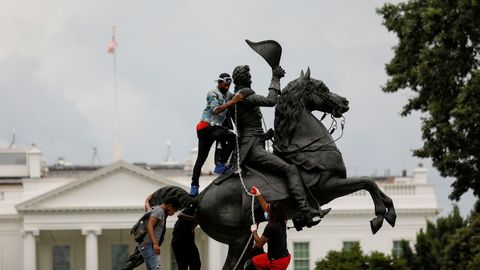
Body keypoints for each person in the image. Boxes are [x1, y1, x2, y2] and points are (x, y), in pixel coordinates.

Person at [231, 65, 329, 228]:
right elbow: (271, 101)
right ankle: (304, 212)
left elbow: (247, 126)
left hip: (255, 143)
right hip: (253, 149)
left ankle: (296, 212)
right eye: (249, 76)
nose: (251, 78)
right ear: (245, 79)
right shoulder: (244, 95)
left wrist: (264, 136)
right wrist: (275, 78)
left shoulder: (237, 96)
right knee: (290, 169)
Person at [190, 72, 244, 196]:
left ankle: (220, 163)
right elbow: (215, 110)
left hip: (215, 128)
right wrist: (231, 102)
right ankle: (196, 184)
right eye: (225, 84)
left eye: (229, 85)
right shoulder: (212, 93)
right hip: (206, 127)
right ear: (219, 82)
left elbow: (237, 96)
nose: (227, 87)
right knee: (231, 138)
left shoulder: (228, 94)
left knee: (228, 138)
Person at [250, 186, 291, 270]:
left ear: (272, 213)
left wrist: (254, 231)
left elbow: (259, 244)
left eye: (269, 209)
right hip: (284, 257)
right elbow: (266, 207)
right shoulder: (282, 219)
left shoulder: (271, 226)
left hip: (278, 262)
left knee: (257, 262)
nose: (267, 210)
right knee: (255, 260)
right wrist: (258, 194)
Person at [138, 197, 181, 270]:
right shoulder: (159, 211)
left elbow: (147, 210)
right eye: (174, 210)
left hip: (145, 246)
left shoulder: (155, 208)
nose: (173, 213)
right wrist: (155, 244)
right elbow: (149, 225)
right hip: (149, 245)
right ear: (169, 206)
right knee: (156, 268)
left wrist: (147, 201)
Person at [171, 205, 201, 270]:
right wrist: (193, 218)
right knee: (185, 265)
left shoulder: (200, 215)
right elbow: (179, 215)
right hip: (180, 238)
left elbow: (193, 229)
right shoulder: (193, 207)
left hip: (186, 240)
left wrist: (193, 242)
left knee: (195, 264)